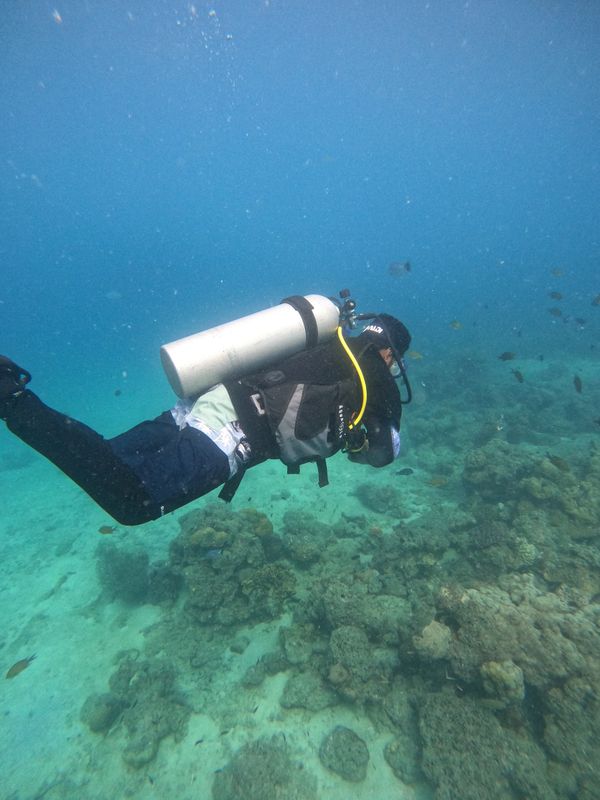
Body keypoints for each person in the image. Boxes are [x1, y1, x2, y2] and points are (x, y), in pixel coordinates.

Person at [0, 313, 411, 526]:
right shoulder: (376, 376)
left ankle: (12, 394)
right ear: (390, 353)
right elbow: (382, 452)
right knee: (131, 502)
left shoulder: (329, 339)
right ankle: (13, 400)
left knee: (110, 460)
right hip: (230, 432)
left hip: (206, 402)